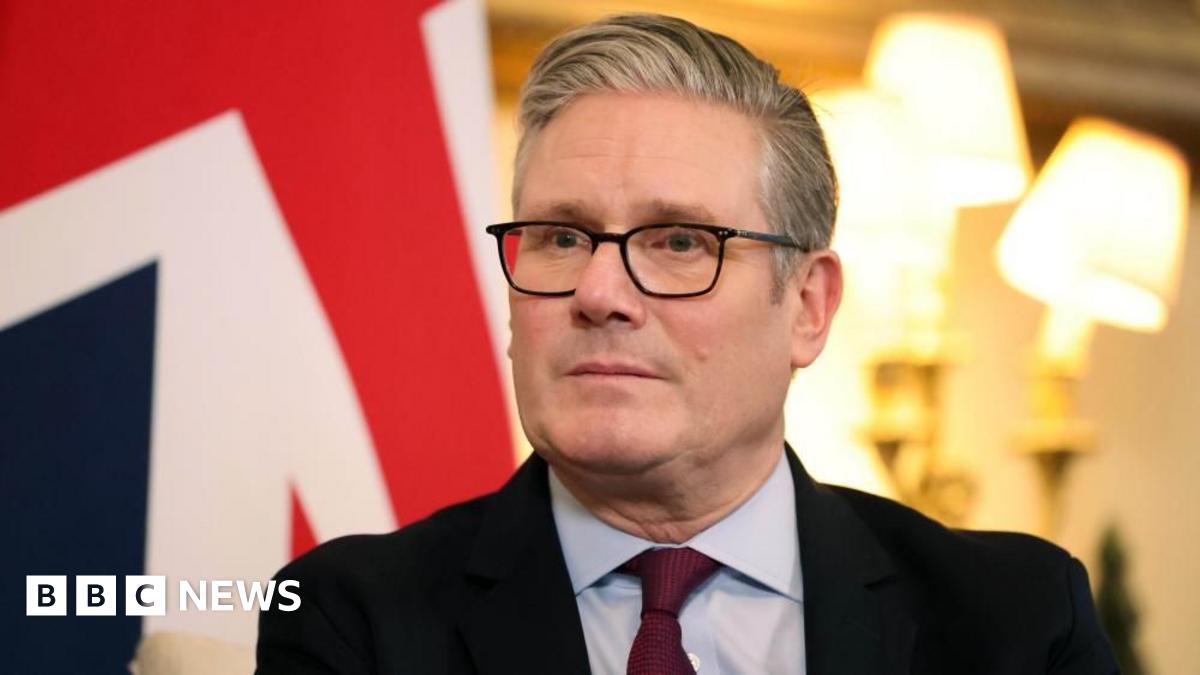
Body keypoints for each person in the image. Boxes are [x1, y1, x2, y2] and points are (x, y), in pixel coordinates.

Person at [256, 13, 1117, 675]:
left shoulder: (1016, 617)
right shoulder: (351, 618)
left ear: (808, 307)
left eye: (678, 243)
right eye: (560, 237)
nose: (597, 293)